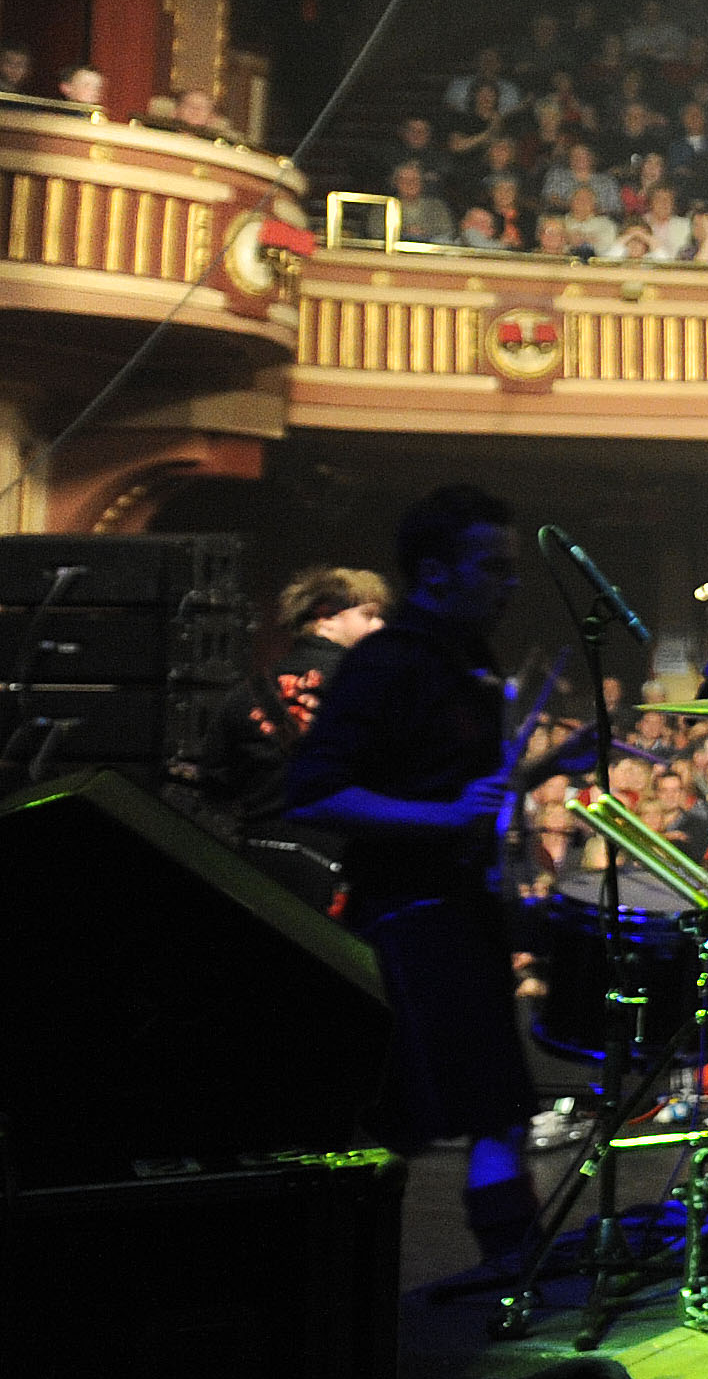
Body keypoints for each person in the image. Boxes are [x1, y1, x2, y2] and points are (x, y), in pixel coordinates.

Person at [285, 487, 587, 1263]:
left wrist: (545, 769)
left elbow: (455, 788)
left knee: (498, 1111)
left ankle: (509, 1275)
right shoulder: (388, 662)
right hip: (406, 919)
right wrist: (443, 819)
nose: (510, 584)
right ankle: (363, 1290)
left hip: (459, 909)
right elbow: (314, 791)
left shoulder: (468, 659)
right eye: (493, 567)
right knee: (406, 1122)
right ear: (435, 572)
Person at [200, 564, 391, 910]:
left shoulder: (245, 692)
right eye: (369, 615)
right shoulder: (372, 688)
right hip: (330, 873)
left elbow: (214, 782)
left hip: (250, 865)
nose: (380, 627)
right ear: (325, 616)